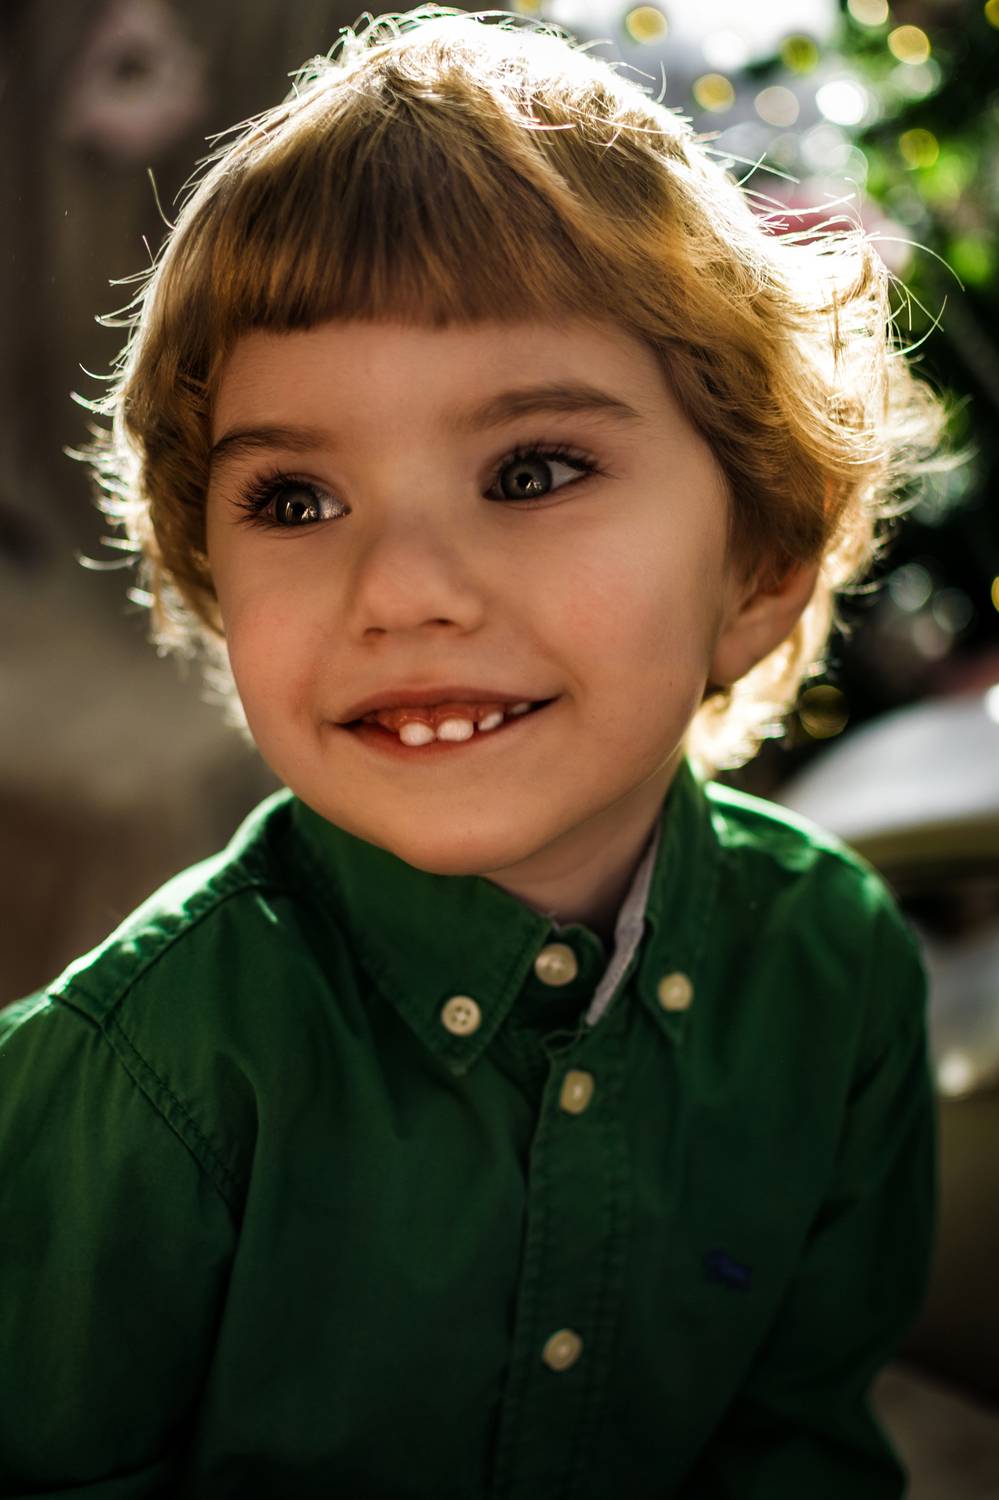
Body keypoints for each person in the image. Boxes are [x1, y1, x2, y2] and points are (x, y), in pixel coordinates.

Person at [0, 7, 947, 1497]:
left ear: (760, 566)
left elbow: (797, 1444)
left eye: (532, 470)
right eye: (297, 501)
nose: (400, 589)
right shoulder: (131, 1081)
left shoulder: (841, 978)